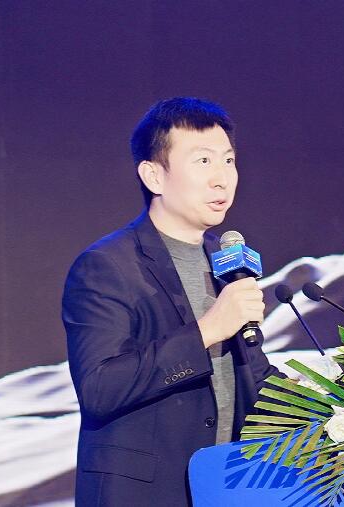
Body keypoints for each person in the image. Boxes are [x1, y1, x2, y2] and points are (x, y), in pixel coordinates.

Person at [62, 97, 282, 506]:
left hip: (224, 488)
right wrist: (207, 330)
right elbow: (99, 388)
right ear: (154, 176)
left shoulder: (227, 261)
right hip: (145, 494)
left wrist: (337, 401)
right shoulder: (107, 266)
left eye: (228, 161)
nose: (222, 179)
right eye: (203, 161)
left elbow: (248, 375)